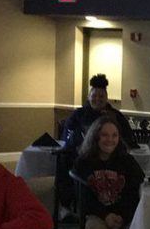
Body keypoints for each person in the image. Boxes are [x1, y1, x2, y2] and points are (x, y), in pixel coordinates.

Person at [57, 74, 136, 212]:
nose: (97, 99)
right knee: (64, 160)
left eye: (101, 96)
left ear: (106, 98)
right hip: (83, 156)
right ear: (89, 97)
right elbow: (68, 137)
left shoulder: (115, 116)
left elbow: (128, 137)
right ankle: (66, 204)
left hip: (110, 158)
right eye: (94, 96)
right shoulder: (78, 115)